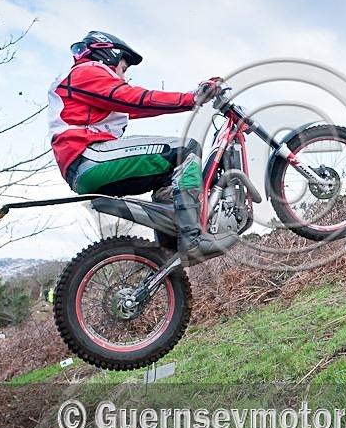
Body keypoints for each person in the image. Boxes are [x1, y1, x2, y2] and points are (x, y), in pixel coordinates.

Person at [47, 30, 237, 262]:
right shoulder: (87, 71)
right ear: (109, 55)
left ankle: (168, 252)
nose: (124, 77)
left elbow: (138, 106)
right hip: (88, 157)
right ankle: (192, 239)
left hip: (84, 164)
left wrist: (190, 101)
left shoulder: (87, 87)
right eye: (124, 69)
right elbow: (134, 97)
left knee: (170, 176)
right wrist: (191, 97)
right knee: (185, 151)